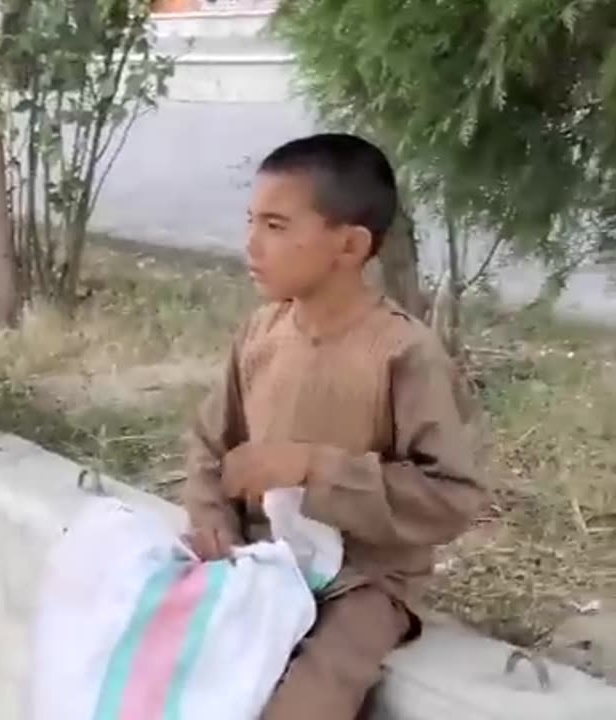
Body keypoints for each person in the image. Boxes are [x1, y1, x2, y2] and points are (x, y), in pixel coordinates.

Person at [182, 134, 487, 720]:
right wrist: (214, 520)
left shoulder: (403, 352)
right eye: (251, 222)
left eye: (275, 226)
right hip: (260, 558)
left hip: (362, 581)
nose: (251, 245)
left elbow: (451, 496)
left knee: (307, 700)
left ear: (349, 245)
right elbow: (207, 446)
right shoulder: (259, 335)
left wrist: (312, 467)